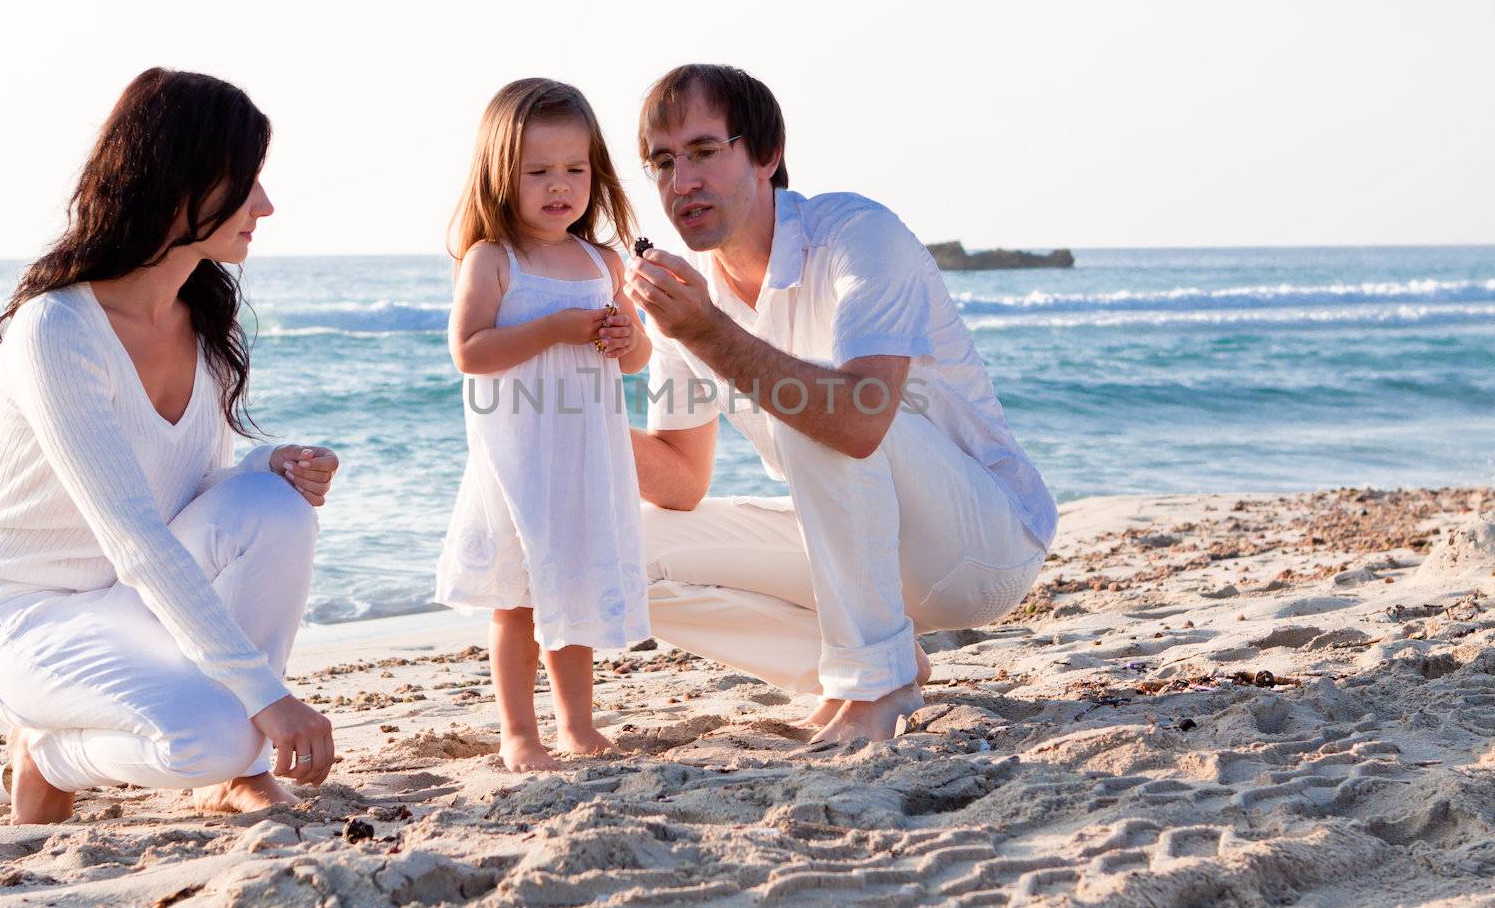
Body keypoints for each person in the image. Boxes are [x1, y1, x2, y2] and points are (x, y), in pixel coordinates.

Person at [601, 64, 1058, 743]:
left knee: (815, 403)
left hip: (978, 546)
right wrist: (574, 417)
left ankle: (873, 683)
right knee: (611, 549)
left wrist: (703, 329)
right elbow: (680, 479)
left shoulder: (856, 234)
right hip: (854, 548)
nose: (680, 182)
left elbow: (858, 419)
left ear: (766, 154)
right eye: (661, 163)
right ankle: (877, 660)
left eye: (703, 152)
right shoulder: (690, 295)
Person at [0, 68, 341, 823]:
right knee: (211, 731)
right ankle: (45, 751)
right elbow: (134, 536)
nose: (266, 204)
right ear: (179, 183)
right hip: (27, 617)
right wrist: (271, 698)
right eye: (247, 180)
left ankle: (242, 768)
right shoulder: (56, 330)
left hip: (126, 603)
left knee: (275, 506)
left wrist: (274, 464)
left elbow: (192, 485)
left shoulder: (203, 321)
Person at [437, 78, 653, 772]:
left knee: (575, 585)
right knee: (519, 602)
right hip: (519, 459)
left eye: (574, 170)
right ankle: (519, 733)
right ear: (503, 175)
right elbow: (471, 351)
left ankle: (577, 723)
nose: (558, 186)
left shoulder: (602, 261)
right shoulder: (494, 260)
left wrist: (625, 337)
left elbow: (636, 358)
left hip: (585, 458)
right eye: (538, 172)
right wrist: (558, 327)